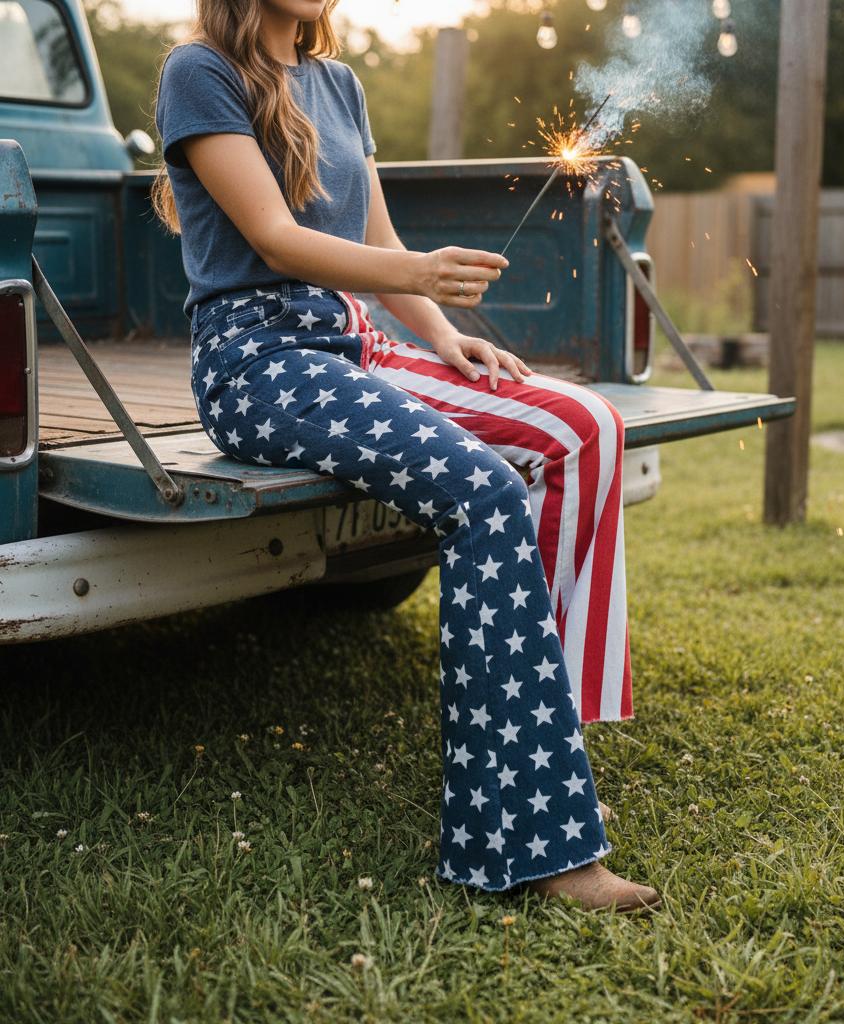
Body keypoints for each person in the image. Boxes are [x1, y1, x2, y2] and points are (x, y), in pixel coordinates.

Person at [154, 0, 659, 912]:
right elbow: (277, 239)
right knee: (487, 495)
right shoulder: (200, 75)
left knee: (584, 428)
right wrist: (420, 275)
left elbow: (376, 242)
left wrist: (443, 331)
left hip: (353, 340)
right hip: (261, 362)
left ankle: (549, 735)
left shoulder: (338, 83)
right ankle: (532, 844)